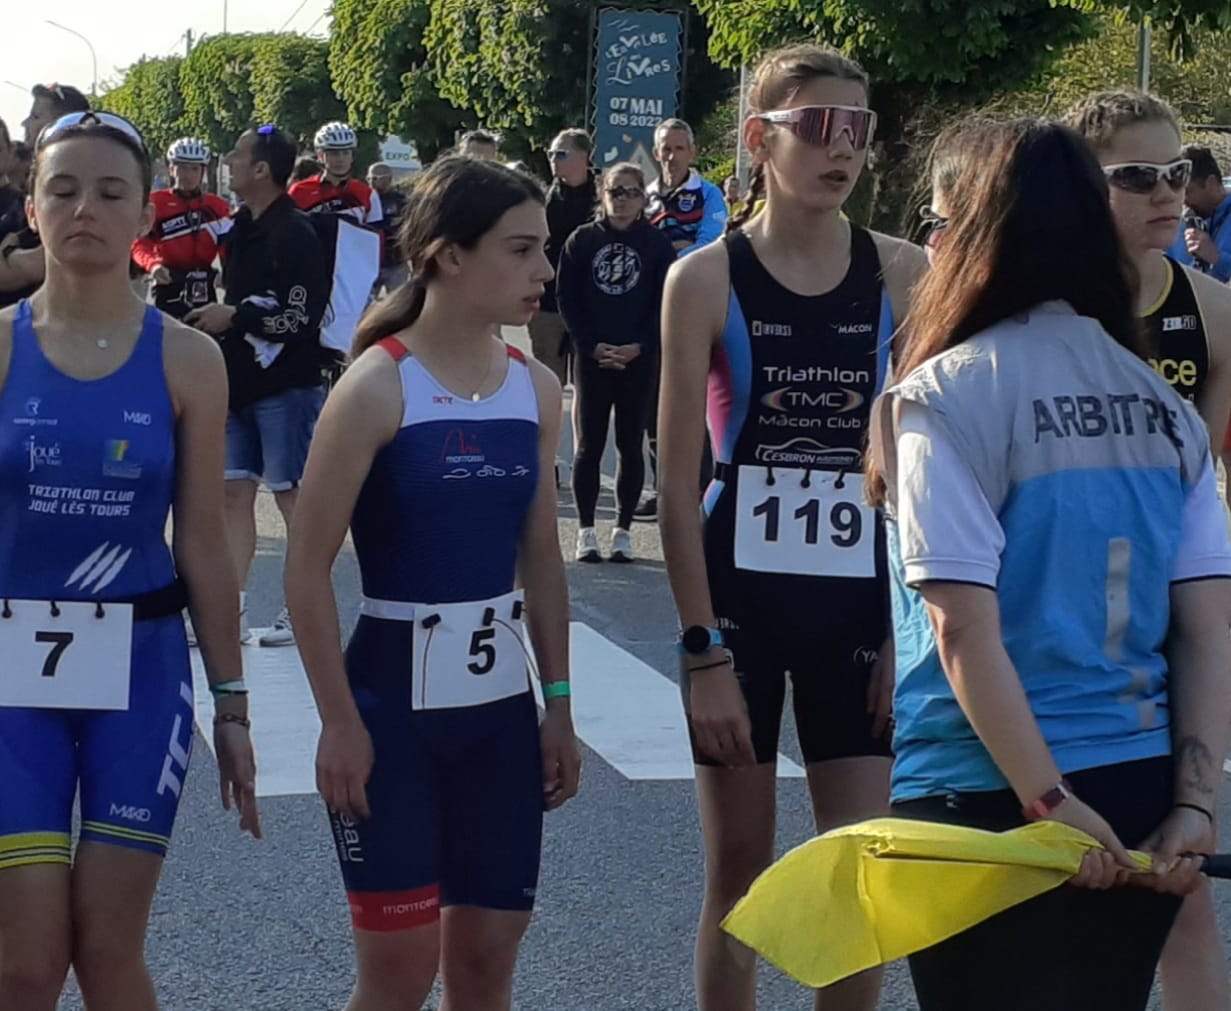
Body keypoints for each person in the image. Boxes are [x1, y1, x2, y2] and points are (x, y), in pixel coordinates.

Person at [866, 116, 1231, 1011]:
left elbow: (959, 625)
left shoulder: (941, 395)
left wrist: (1047, 801)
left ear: (972, 233)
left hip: (981, 781)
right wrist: (1195, 804)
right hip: (1140, 776)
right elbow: (1206, 625)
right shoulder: (1162, 405)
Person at [659, 45, 926, 1011]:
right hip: (740, 602)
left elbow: (923, 478)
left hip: (856, 605)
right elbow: (677, 479)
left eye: (857, 129)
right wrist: (701, 649)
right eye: (816, 126)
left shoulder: (906, 272)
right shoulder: (702, 278)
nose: (840, 148)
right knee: (739, 873)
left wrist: (905, 632)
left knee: (855, 875)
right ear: (758, 139)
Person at [285, 156, 580, 1011]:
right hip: (391, 717)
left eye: (544, 248)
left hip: (498, 718)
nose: (544, 269)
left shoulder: (537, 388)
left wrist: (558, 705)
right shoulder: (377, 385)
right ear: (449, 255)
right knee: (401, 971)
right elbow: (303, 570)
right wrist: (338, 721)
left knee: (485, 963)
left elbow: (541, 556)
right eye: (521, 249)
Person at [0, 109, 260, 1011]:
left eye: (110, 193)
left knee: (109, 953)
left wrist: (232, 704)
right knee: (25, 963)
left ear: (144, 215)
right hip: (10, 678)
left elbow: (203, 541)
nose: (85, 209)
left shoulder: (189, 359)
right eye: (63, 190)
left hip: (142, 670)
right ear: (32, 208)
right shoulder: (0, 346)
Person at [1063, 90, 1231, 1011]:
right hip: (1051, 623)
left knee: (1180, 889)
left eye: (1176, 173)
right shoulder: (1042, 308)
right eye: (1137, 177)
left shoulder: (1211, 309)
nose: (1167, 193)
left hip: (1158, 620)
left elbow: (1201, 478)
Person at [185, 126, 330, 649]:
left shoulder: (296, 232)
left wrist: (236, 316)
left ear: (263, 169)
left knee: (293, 497)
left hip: (287, 389)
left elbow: (302, 318)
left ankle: (303, 611)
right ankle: (230, 613)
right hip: (236, 383)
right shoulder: (241, 225)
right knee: (231, 495)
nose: (227, 161)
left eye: (238, 155)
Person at [557, 162, 675, 564]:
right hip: (593, 357)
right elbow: (568, 298)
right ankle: (586, 531)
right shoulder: (581, 241)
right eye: (614, 191)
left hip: (639, 358)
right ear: (602, 194)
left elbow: (664, 302)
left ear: (643, 198)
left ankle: (623, 530)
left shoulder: (656, 245)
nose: (621, 200)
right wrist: (590, 346)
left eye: (630, 192)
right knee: (589, 445)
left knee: (630, 443)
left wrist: (641, 345)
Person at [639, 118, 729, 520]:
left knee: (696, 397)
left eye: (679, 148)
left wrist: (670, 257)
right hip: (650, 309)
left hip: (696, 308)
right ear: (655, 152)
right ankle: (662, 487)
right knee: (654, 402)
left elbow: (710, 244)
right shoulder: (645, 195)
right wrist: (671, 248)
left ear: (691, 152)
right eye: (665, 148)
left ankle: (703, 486)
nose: (671, 156)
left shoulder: (708, 194)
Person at [0, 85, 91, 305]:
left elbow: (39, 265)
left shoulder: (78, 183)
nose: (25, 124)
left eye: (36, 116)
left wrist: (10, 250)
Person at [131, 138, 231, 320]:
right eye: (182, 168)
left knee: (206, 334)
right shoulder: (156, 202)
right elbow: (139, 242)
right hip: (168, 279)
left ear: (203, 171)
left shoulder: (217, 206)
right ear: (171, 169)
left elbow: (228, 245)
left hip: (205, 281)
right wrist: (153, 265)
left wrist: (227, 270)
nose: (188, 175)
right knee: (166, 334)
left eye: (194, 169)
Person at [531, 127, 597, 389]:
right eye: (550, 154)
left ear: (585, 156)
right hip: (548, 301)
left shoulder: (604, 199)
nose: (553, 160)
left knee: (589, 383)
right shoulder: (540, 201)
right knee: (548, 381)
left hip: (591, 304)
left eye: (561, 154)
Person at [1169, 145, 1231, 282]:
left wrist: (1216, 257)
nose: (1183, 201)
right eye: (1177, 192)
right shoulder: (1182, 222)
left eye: (1187, 192)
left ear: (1211, 183)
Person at [367, 161, 408, 294]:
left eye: (376, 178)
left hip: (395, 262)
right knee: (364, 302)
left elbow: (409, 228)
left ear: (389, 179)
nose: (372, 182)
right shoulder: (363, 199)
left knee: (398, 302)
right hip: (370, 262)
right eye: (370, 178)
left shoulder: (401, 201)